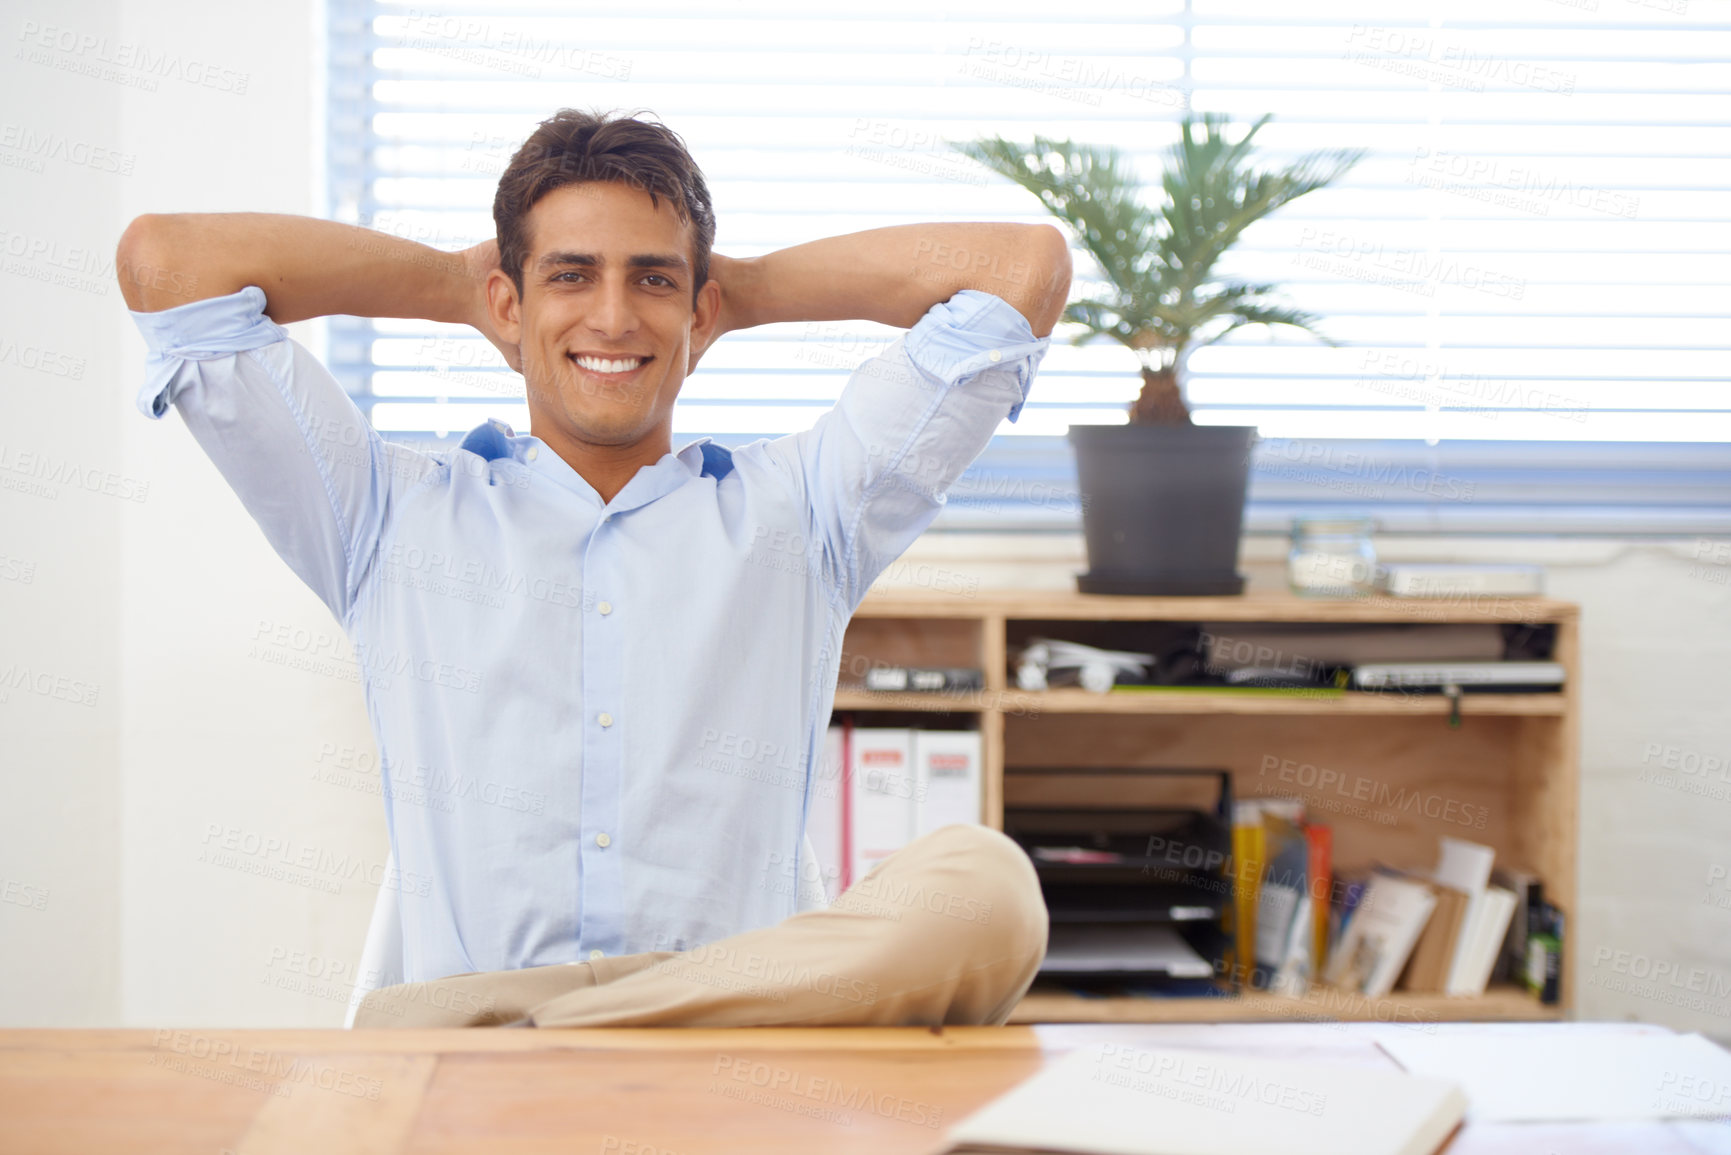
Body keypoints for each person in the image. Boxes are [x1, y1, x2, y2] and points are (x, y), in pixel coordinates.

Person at [117, 107, 1071, 1029]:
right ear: (509, 299)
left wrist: (735, 293)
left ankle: (594, 1019)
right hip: (474, 1055)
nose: (613, 317)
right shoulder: (384, 515)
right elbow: (168, 263)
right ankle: (585, 1020)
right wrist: (459, 286)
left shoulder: (804, 510)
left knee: (989, 887)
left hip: (719, 1047)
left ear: (699, 309)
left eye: (652, 280)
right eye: (570, 275)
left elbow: (1019, 271)